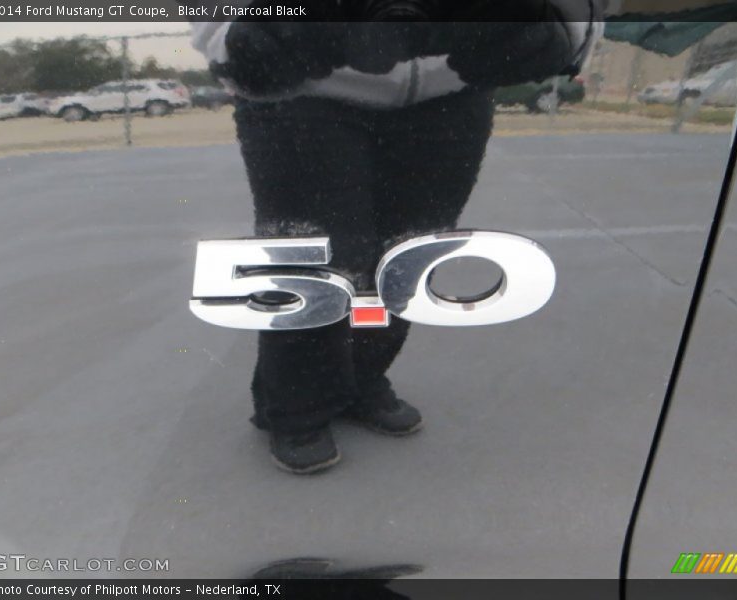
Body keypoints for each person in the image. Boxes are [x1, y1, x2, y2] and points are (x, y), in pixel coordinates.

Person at [184, 1, 603, 474]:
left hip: (454, 85)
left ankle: (361, 378)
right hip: (305, 85)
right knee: (315, 260)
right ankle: (296, 406)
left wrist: (566, 23)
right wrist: (228, 29)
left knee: (407, 256)